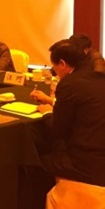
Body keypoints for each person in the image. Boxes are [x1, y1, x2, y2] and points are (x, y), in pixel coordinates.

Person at [35, 40, 105, 192]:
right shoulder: (99, 77)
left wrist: (47, 113)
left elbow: (58, 130)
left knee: (33, 160)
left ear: (62, 64)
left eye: (54, 67)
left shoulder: (69, 83)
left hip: (86, 164)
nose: (55, 72)